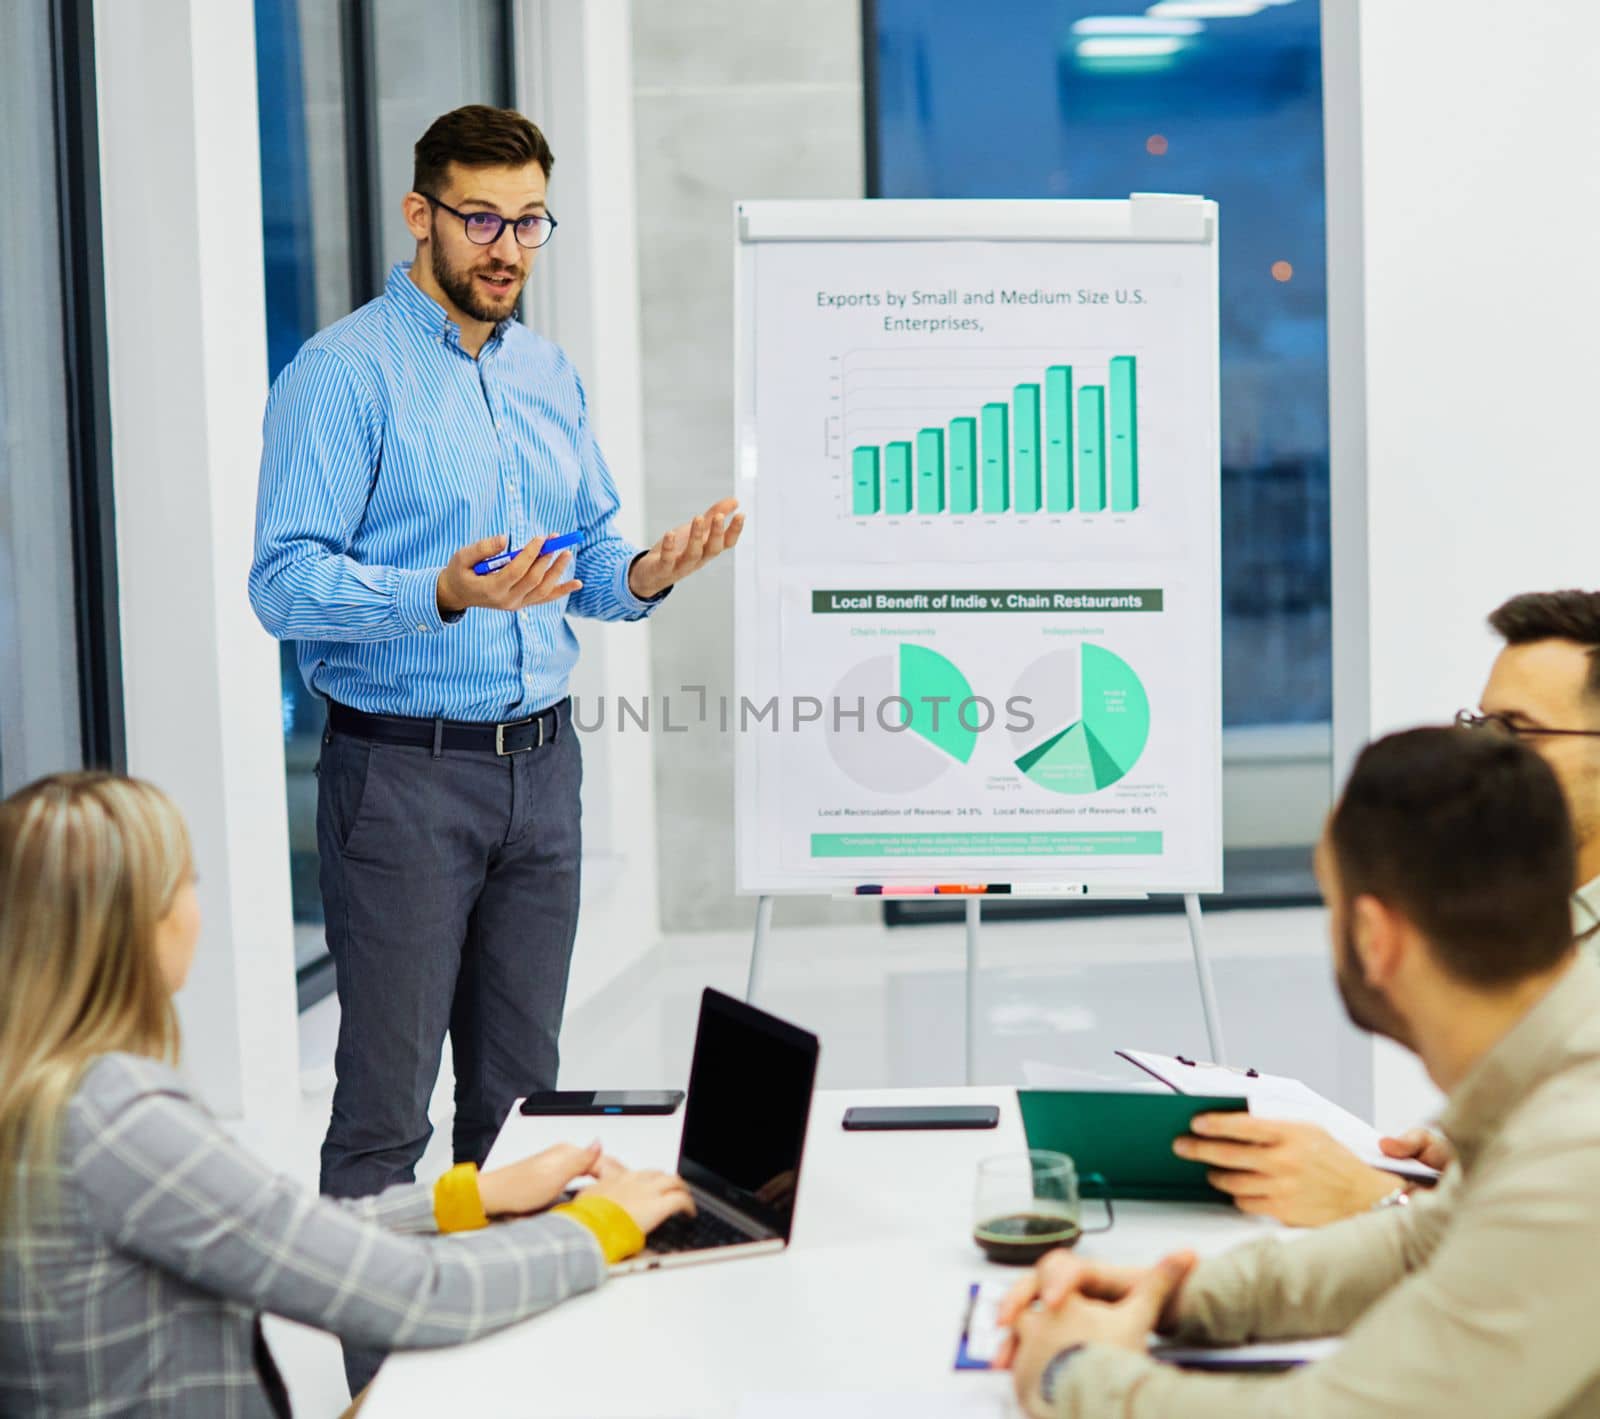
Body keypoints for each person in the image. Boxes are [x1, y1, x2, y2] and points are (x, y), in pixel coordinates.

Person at [248, 102, 738, 1323]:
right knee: (382, 1116)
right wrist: (438, 590)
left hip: (543, 771)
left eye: (527, 222)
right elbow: (282, 581)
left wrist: (644, 574)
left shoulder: (544, 370)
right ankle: (377, 1381)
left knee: (525, 1105)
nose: (504, 247)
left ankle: (506, 1368)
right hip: (402, 780)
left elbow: (587, 553)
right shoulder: (342, 373)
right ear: (420, 216)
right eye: (479, 220)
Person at [0, 773, 694, 1417]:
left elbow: (288, 1234)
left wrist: (469, 1197)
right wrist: (599, 1225)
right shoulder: (121, 1118)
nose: (197, 909)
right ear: (138, 925)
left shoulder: (41, 1096)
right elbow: (411, 1293)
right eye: (188, 882)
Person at [998, 726, 1600, 1418]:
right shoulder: (1552, 1074)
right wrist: (1167, 1294)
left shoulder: (1574, 1150)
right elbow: (1421, 1242)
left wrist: (1071, 1371)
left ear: (1374, 938)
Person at [1174, 588, 1600, 1226]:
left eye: (1518, 732)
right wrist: (1472, 1156)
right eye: (1480, 727)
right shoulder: (1534, 916)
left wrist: (1378, 1200)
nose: (1485, 758)